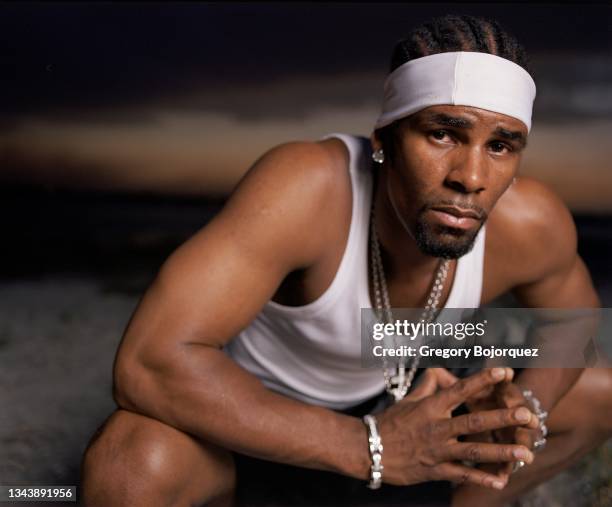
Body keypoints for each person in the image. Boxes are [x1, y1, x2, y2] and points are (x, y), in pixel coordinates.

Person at [81, 14, 611, 507]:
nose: (471, 177)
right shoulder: (307, 187)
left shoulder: (531, 222)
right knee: (131, 459)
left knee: (599, 393)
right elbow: (150, 362)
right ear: (384, 140)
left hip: (401, 421)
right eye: (443, 133)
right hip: (255, 431)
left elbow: (575, 321)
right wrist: (371, 445)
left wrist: (524, 410)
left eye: (500, 145)